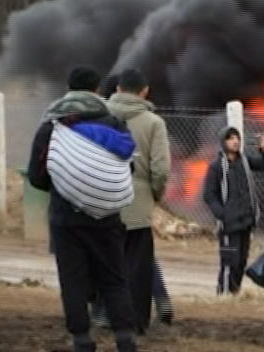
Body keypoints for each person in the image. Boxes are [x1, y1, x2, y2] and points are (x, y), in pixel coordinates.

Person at [27, 66, 138, 352]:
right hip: (108, 218)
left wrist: (67, 185)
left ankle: (82, 341)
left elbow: (37, 176)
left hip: (66, 220)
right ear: (98, 89)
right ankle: (125, 338)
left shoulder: (53, 125)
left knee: (73, 281)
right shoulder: (114, 122)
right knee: (114, 279)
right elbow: (127, 167)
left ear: (68, 88)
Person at [105, 68, 171, 334]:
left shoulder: (99, 116)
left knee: (107, 262)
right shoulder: (153, 123)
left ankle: (106, 316)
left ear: (118, 89)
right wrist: (153, 194)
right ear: (145, 92)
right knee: (138, 266)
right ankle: (137, 323)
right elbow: (160, 168)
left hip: (101, 200)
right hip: (137, 201)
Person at [201, 125, 264, 295]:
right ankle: (224, 295)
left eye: (237, 138)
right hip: (229, 225)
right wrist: (223, 214)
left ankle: (235, 293)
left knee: (241, 261)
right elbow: (209, 194)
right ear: (223, 142)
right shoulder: (216, 166)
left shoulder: (245, 161)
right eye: (230, 138)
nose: (235, 141)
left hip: (246, 222)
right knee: (230, 262)